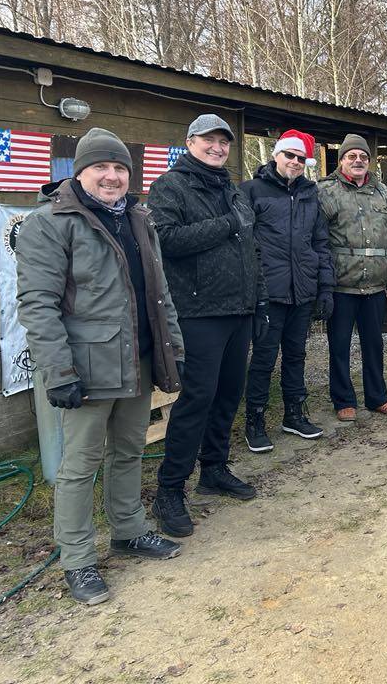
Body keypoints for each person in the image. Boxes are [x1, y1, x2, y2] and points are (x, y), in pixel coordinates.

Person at [16, 128, 184, 605]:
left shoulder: (138, 219)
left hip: (138, 361)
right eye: (100, 167)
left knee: (129, 450)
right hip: (87, 369)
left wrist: (174, 348)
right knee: (79, 466)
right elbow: (38, 305)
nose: (111, 176)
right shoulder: (50, 224)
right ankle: (78, 560)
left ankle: (128, 530)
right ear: (79, 172)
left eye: (119, 168)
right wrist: (59, 372)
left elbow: (160, 292)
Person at [148, 114, 268, 537]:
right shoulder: (170, 187)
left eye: (223, 142)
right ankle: (170, 490)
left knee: (228, 395)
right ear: (190, 142)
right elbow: (166, 240)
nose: (217, 148)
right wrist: (227, 224)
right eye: (208, 140)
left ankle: (214, 469)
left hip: (239, 311)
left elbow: (251, 249)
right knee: (196, 399)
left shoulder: (232, 190)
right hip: (199, 313)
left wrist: (259, 300)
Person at [240, 129, 334, 450]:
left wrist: (325, 287)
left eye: (300, 158)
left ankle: (293, 414)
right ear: (276, 155)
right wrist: (254, 287)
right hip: (269, 292)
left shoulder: (310, 195)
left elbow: (320, 243)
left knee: (296, 355)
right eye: (289, 155)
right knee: (264, 358)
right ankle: (255, 419)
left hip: (302, 291)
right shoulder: (252, 191)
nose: (294, 161)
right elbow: (244, 243)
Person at [318, 133, 387, 421]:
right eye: (352, 156)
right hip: (341, 285)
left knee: (374, 345)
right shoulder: (325, 191)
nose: (358, 161)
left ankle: (377, 397)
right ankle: (343, 400)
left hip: (376, 285)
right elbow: (317, 240)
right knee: (339, 346)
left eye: (363, 157)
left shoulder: (383, 193)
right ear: (342, 160)